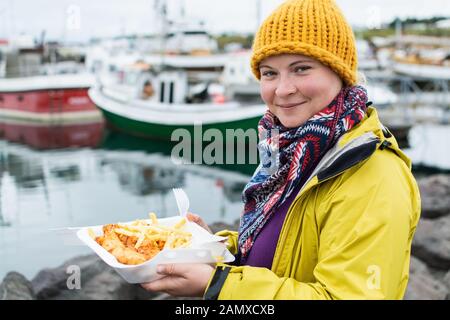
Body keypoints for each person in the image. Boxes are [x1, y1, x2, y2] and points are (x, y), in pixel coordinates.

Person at [141, 0, 421, 299]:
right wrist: (215, 252)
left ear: (341, 72)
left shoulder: (374, 175)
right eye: (269, 73)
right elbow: (284, 251)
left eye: (301, 68)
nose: (282, 89)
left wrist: (220, 285)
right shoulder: (293, 150)